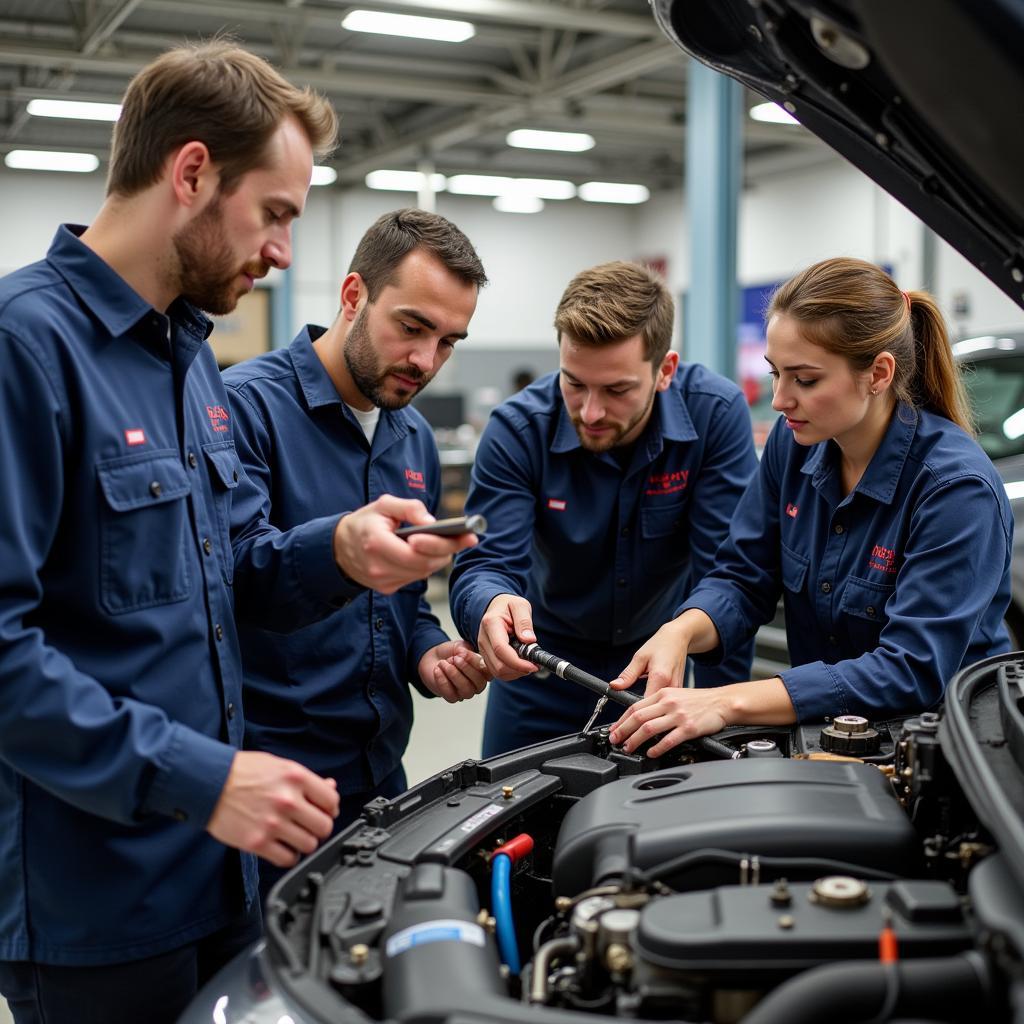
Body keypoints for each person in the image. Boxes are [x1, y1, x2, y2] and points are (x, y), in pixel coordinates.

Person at [0, 43, 475, 1024]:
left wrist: (339, 549)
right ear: (191, 175)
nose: (285, 252)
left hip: (222, 870)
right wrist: (201, 775)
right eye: (277, 213)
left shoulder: (189, 365)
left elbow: (233, 578)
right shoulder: (25, 347)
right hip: (97, 899)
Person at [609, 257, 1014, 757]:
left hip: (941, 749)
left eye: (804, 380)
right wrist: (681, 629)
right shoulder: (793, 444)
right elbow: (742, 576)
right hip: (826, 739)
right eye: (776, 374)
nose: (779, 400)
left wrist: (727, 701)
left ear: (879, 374)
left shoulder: (955, 488)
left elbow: (910, 667)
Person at [223, 208, 491, 899]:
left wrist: (426, 651)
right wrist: (337, 551)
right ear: (352, 297)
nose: (426, 361)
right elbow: (232, 581)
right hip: (272, 786)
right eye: (411, 327)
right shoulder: (242, 411)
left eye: (449, 342)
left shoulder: (414, 439)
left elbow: (401, 596)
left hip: (379, 776)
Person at [449, 260, 758, 755]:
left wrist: (721, 707)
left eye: (617, 390)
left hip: (661, 673)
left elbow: (730, 572)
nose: (590, 412)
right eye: (574, 383)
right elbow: (484, 564)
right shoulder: (516, 428)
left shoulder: (714, 414)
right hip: (541, 673)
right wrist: (488, 605)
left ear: (665, 371)